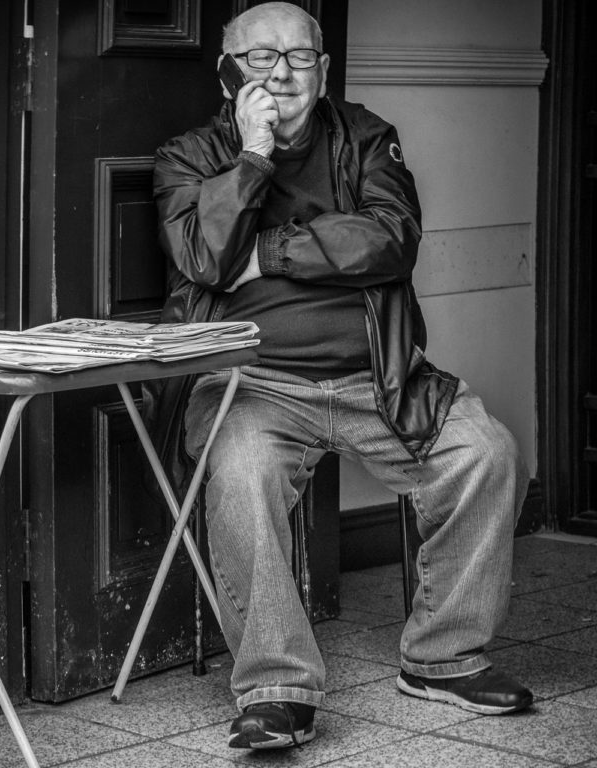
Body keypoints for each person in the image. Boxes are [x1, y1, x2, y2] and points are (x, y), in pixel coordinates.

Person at [145, 1, 533, 751]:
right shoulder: (188, 157)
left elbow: (391, 239)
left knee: (486, 452)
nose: (282, 73)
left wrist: (269, 253)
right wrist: (253, 159)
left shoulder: (366, 138)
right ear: (227, 73)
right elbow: (206, 259)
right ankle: (276, 688)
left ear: (323, 70)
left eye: (299, 56)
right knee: (241, 473)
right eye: (260, 58)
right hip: (249, 384)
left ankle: (443, 657)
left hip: (378, 378)